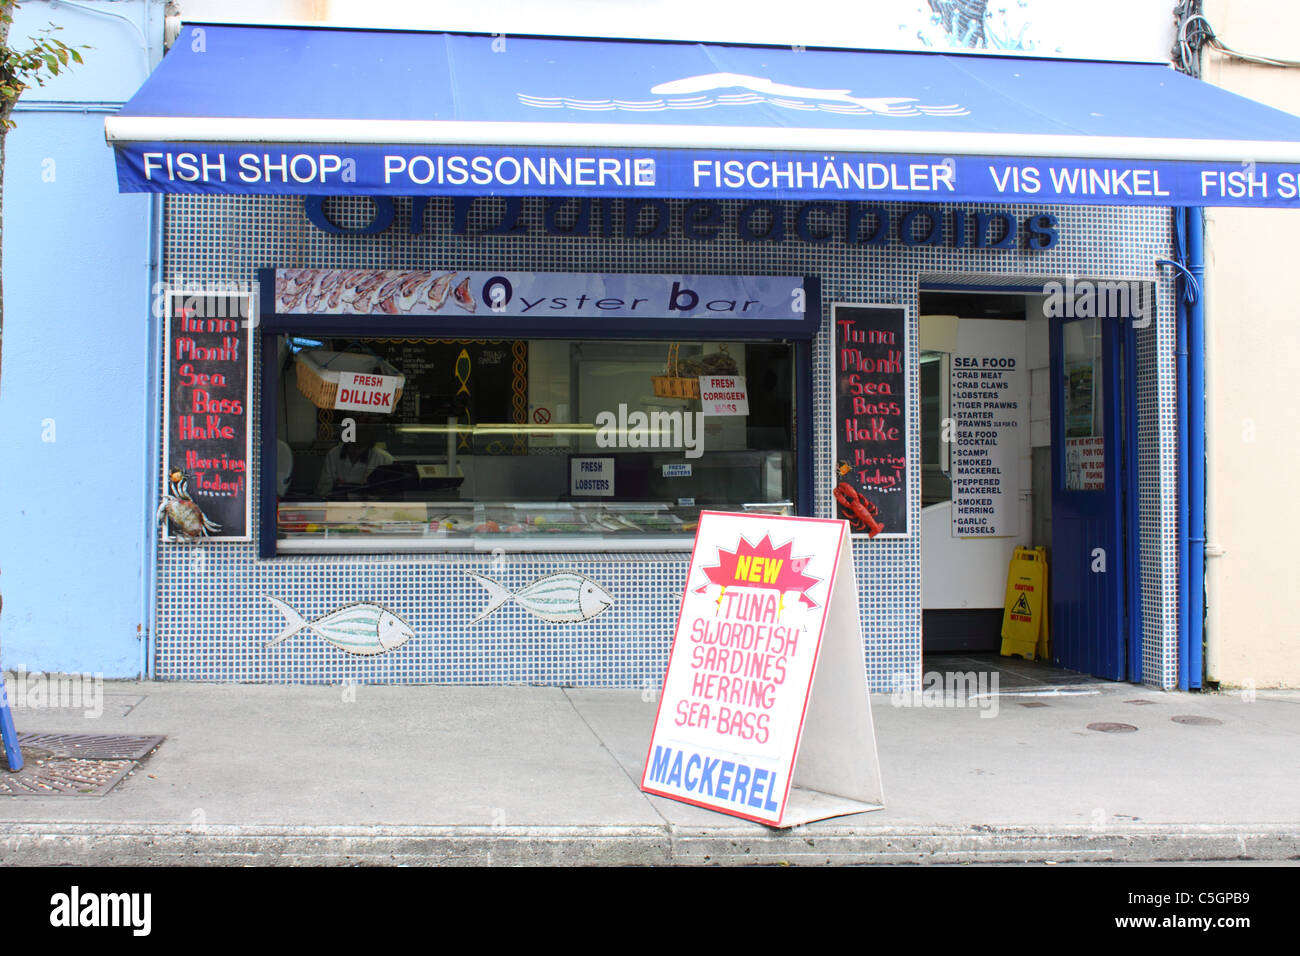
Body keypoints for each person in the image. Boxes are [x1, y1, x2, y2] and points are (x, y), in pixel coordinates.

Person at [314, 420, 395, 498]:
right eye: (353, 446)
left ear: (369, 445)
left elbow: (392, 492)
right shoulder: (333, 454)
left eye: (361, 447)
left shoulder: (385, 459)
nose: (356, 451)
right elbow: (323, 489)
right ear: (347, 441)